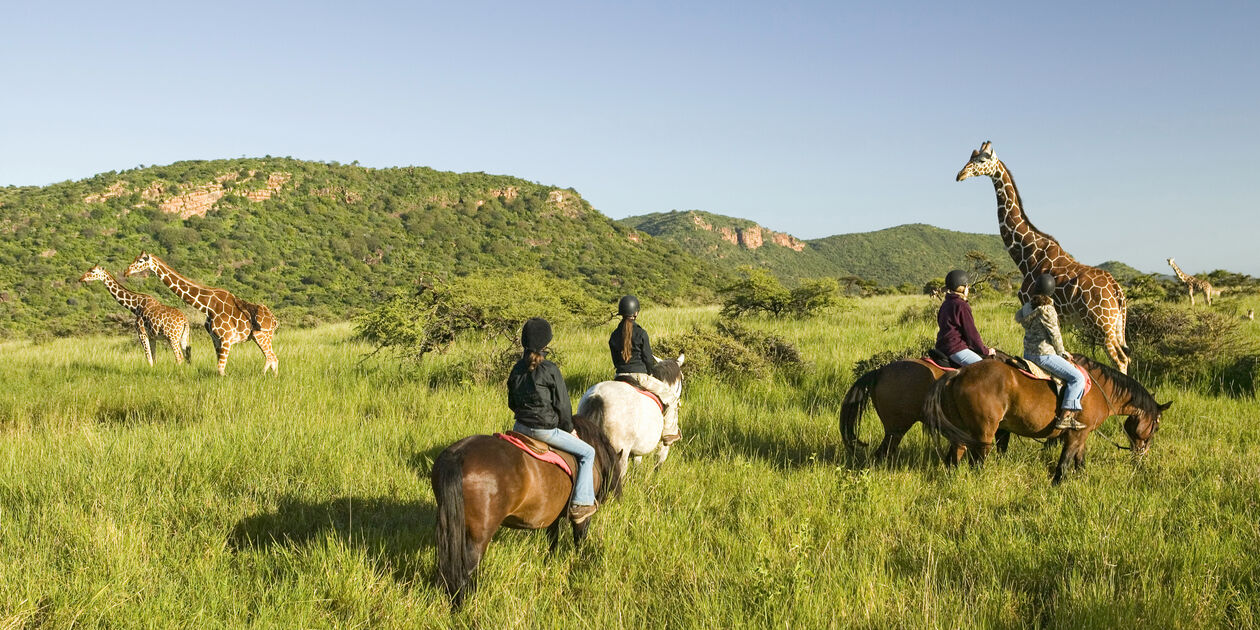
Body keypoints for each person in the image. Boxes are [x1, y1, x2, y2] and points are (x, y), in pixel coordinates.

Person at [507, 318, 598, 522]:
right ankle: (581, 503)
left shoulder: (516, 368)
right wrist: (569, 429)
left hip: (519, 428)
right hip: (545, 431)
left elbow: (512, 403)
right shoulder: (550, 369)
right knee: (588, 452)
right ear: (546, 343)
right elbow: (563, 406)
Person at [1015, 274, 1087, 430]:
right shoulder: (1048, 310)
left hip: (1028, 354)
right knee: (1077, 378)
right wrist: (1063, 353)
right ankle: (1065, 417)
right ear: (1051, 291)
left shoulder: (1027, 308)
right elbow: (1055, 335)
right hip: (1044, 355)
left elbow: (1020, 318)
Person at [608, 295, 681, 443]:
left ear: (621, 313)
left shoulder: (614, 335)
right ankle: (669, 433)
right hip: (639, 377)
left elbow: (615, 361)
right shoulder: (641, 333)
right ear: (636, 313)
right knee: (671, 398)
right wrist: (650, 372)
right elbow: (648, 359)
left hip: (619, 376)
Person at [935, 270, 996, 366]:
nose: (968, 288)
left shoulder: (945, 303)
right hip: (955, 348)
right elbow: (971, 333)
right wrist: (985, 351)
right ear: (962, 288)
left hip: (941, 347)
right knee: (984, 367)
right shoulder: (962, 305)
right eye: (967, 286)